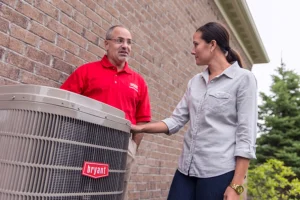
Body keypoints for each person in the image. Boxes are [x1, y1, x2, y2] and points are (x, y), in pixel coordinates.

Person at [131, 22, 257, 200]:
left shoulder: (244, 79)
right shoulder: (195, 82)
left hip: (218, 173)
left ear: (212, 45)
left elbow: (246, 136)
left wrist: (236, 186)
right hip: (186, 171)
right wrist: (141, 128)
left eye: (196, 44)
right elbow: (175, 121)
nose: (192, 50)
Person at [60, 25, 151, 200]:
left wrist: (132, 148)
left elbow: (143, 120)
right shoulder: (86, 71)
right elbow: (65, 104)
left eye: (129, 42)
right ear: (106, 44)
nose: (125, 46)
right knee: (74, 192)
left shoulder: (139, 82)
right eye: (120, 40)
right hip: (84, 144)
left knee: (112, 194)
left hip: (121, 147)